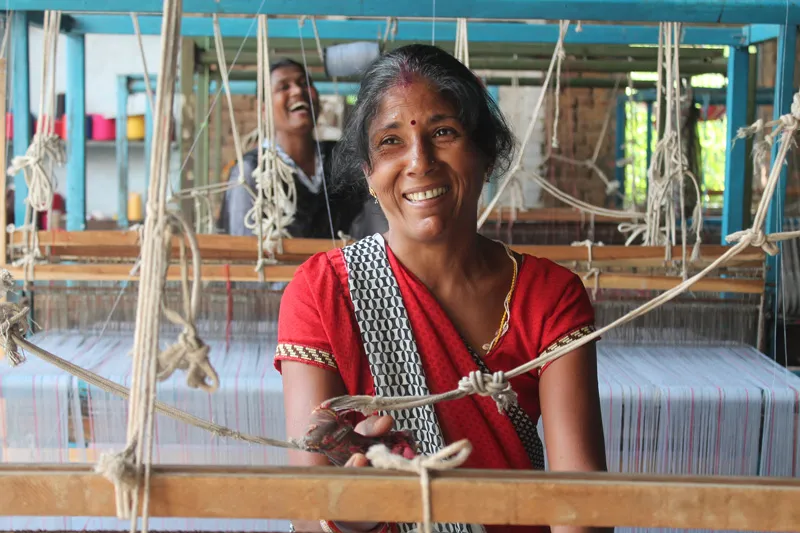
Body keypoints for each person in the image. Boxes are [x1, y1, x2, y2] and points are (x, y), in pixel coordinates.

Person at [274, 44, 608, 533]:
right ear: (367, 172)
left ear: (485, 154)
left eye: (444, 132)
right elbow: (311, 513)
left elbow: (582, 508)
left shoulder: (550, 295)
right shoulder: (322, 292)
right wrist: (355, 512)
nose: (419, 160)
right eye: (390, 141)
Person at [217, 58, 367, 239]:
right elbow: (241, 249)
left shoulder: (342, 158)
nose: (298, 90)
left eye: (304, 83)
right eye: (283, 87)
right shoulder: (252, 171)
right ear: (263, 110)